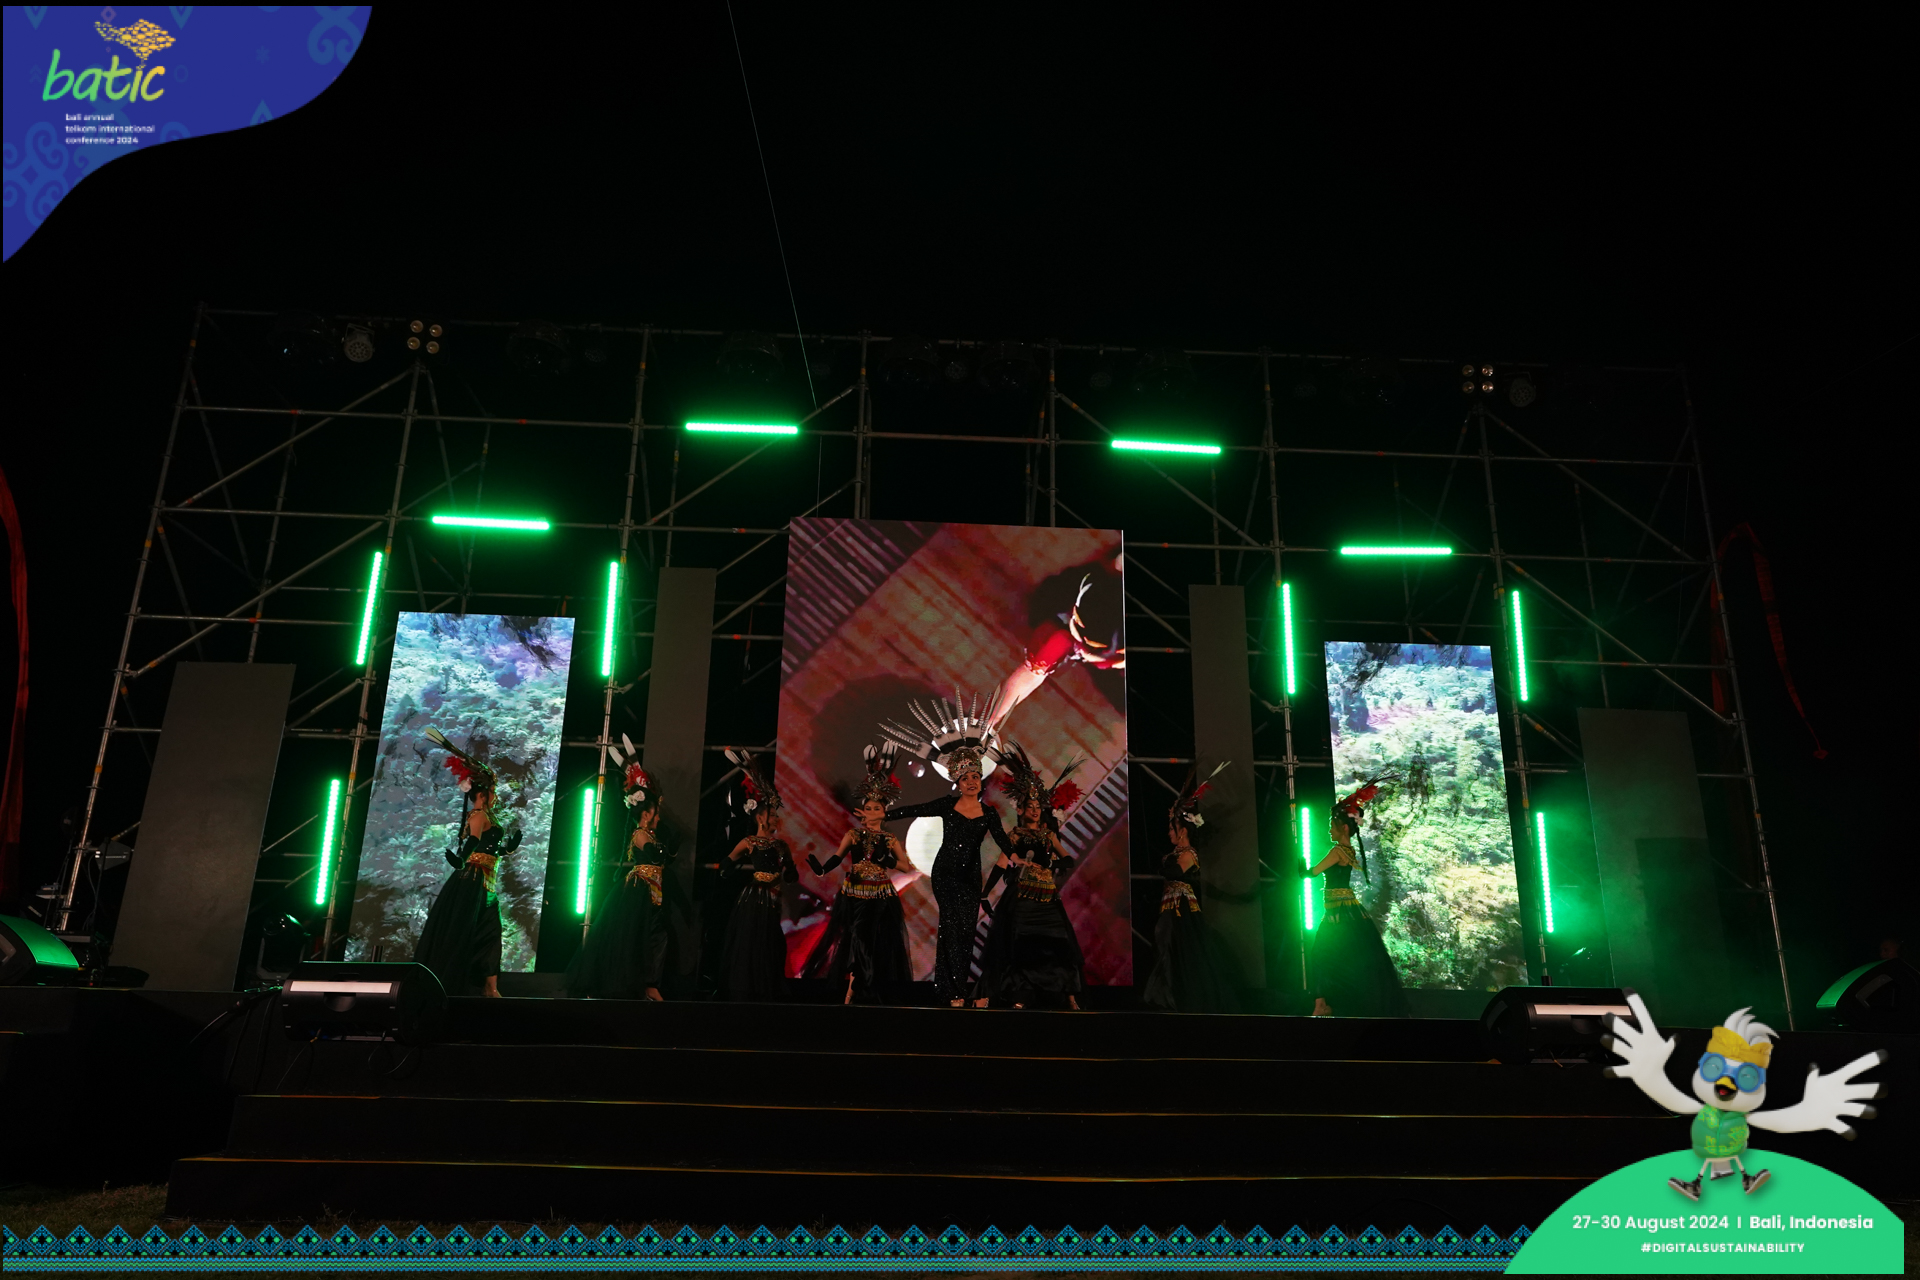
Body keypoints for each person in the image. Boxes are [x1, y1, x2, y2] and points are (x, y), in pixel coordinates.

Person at [878, 692, 1016, 1006]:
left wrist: (1016, 854)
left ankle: (956, 988)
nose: (971, 782)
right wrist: (883, 815)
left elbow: (1003, 840)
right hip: (946, 870)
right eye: (967, 778)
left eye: (974, 778)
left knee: (962, 932)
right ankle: (948, 990)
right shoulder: (946, 804)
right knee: (951, 928)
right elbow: (914, 809)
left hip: (968, 874)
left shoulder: (987, 813)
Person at [974, 743, 1087, 1009]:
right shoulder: (1015, 835)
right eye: (1030, 806)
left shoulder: (1048, 835)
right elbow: (1001, 864)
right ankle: (1020, 996)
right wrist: (985, 893)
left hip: (1047, 898)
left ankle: (1069, 996)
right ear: (1021, 810)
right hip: (1023, 897)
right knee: (1021, 946)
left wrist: (1050, 863)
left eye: (1038, 806)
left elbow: (1068, 859)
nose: (1035, 810)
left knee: (1058, 943)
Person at [414, 727, 522, 998]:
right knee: (465, 932)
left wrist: (509, 848)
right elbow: (474, 842)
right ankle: (453, 986)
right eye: (492, 792)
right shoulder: (478, 815)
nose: (495, 796)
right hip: (473, 880)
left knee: (491, 933)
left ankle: (491, 987)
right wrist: (461, 860)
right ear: (482, 795)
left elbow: (489, 847)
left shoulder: (488, 816)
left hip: (486, 881)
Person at [801, 743, 913, 1004]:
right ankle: (857, 988)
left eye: (876, 809)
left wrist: (888, 860)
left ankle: (864, 989)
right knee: (857, 939)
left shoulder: (888, 839)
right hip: (854, 893)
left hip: (880, 895)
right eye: (868, 808)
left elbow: (904, 866)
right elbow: (838, 857)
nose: (871, 813)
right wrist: (821, 869)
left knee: (873, 941)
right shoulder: (853, 835)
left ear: (884, 812)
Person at [566, 747, 671, 1001]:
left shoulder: (650, 835)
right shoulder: (641, 834)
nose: (659, 818)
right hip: (639, 891)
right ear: (646, 814)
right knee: (640, 936)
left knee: (654, 936)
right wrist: (666, 848)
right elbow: (655, 854)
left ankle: (648, 985)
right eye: (656, 813)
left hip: (650, 891)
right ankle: (643, 985)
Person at [1304, 779, 1409, 1018]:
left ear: (1343, 828)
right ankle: (1330, 1003)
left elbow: (1313, 872)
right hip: (1346, 909)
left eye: (1332, 826)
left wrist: (1301, 868)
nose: (1329, 831)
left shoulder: (1337, 851)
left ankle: (1322, 1004)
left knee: (1320, 953)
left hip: (1338, 912)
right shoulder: (1349, 850)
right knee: (1341, 956)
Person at [1140, 762, 1239, 1013]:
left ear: (1183, 831)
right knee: (1164, 946)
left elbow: (1174, 872)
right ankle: (1166, 997)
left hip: (1181, 909)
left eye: (1171, 828)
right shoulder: (1177, 853)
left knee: (1176, 949)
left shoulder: (1190, 854)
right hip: (1169, 906)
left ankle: (1176, 998)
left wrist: (1164, 866)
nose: (1168, 833)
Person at [718, 748, 797, 1002]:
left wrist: (791, 871)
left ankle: (767, 985)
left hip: (773, 896)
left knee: (772, 940)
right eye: (772, 814)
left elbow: (791, 874)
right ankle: (748, 987)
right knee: (752, 938)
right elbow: (727, 862)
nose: (776, 818)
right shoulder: (750, 842)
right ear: (761, 817)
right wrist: (725, 871)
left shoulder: (781, 845)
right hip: (755, 896)